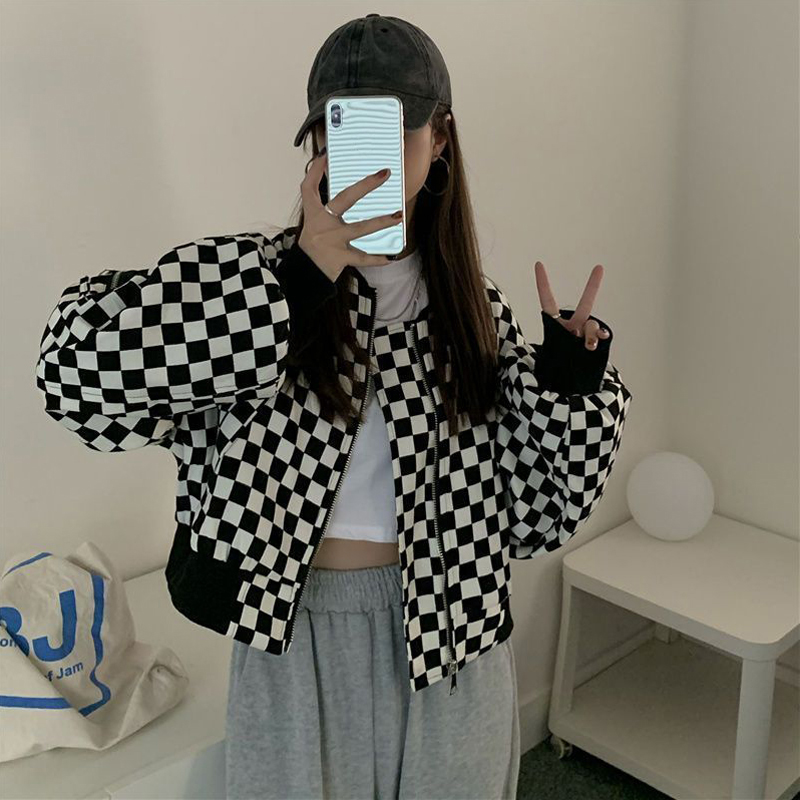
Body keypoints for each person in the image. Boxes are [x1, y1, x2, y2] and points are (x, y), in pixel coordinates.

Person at [35, 13, 633, 800]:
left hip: (455, 631)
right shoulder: (249, 283)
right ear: (316, 141)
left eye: (396, 132)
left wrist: (568, 384)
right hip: (294, 636)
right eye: (342, 132)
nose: (368, 160)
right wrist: (299, 278)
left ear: (441, 138)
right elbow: (73, 380)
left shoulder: (472, 310)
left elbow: (539, 517)